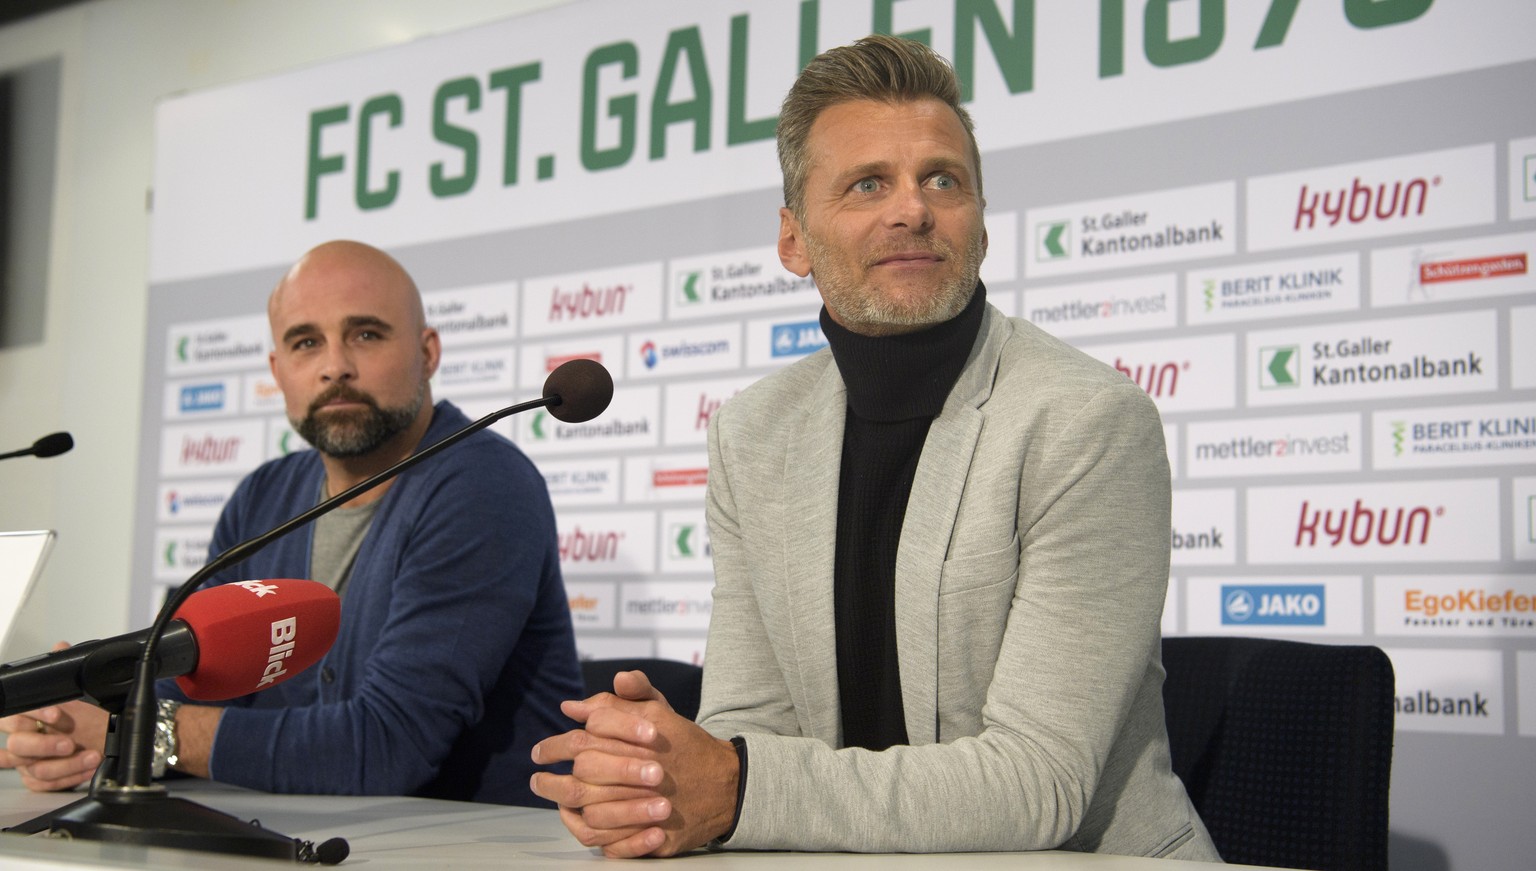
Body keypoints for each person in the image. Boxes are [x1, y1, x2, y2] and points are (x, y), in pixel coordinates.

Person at [528, 35, 1222, 861]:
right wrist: (663, 779)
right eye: (868, 184)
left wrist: (734, 783)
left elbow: (1041, 783)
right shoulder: (754, 432)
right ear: (794, 241)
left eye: (942, 179)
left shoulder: (1086, 420)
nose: (913, 209)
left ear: (981, 223)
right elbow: (746, 724)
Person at [1, 240, 582, 807]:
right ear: (278, 371)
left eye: (367, 334)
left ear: (427, 353)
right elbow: (182, 676)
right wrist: (72, 724)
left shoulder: (481, 485)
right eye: (306, 343)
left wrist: (144, 733)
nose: (336, 367)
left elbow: (388, 746)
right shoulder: (262, 497)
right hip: (301, 834)